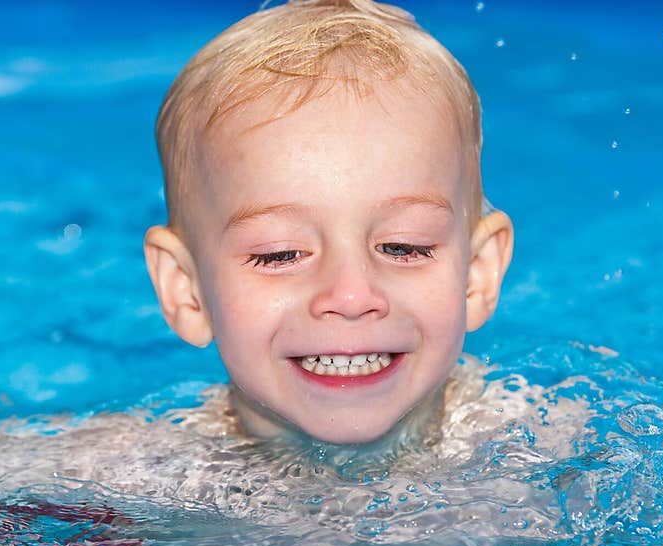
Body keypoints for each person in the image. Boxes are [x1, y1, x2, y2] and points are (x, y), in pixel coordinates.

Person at [143, 0, 515, 447]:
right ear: (186, 290)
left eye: (403, 247)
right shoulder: (125, 472)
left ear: (476, 276)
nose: (352, 296)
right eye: (280, 255)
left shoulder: (540, 448)